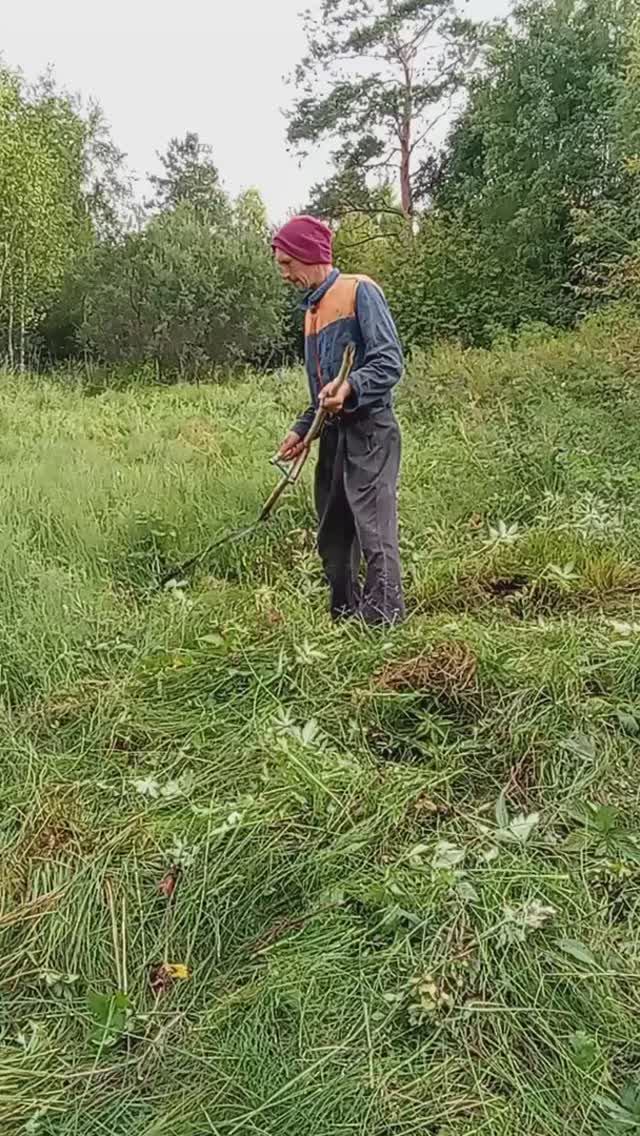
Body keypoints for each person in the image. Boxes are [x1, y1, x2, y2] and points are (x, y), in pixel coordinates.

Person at [273, 214, 405, 626]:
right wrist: (301, 429)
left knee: (373, 528)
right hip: (333, 436)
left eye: (287, 263)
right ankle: (345, 617)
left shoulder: (359, 291)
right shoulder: (311, 313)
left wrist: (351, 387)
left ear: (309, 254)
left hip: (370, 431)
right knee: (334, 532)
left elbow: (389, 362)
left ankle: (383, 621)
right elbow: (321, 390)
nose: (284, 274)